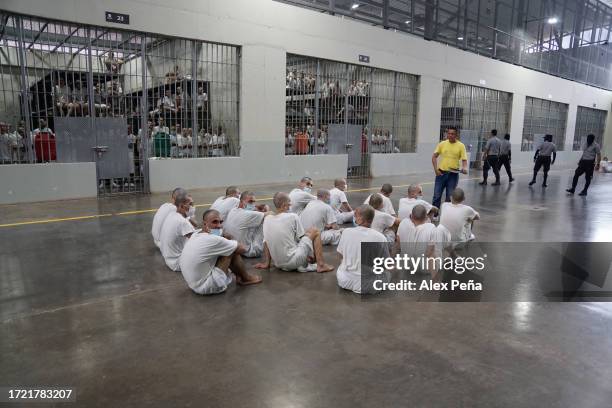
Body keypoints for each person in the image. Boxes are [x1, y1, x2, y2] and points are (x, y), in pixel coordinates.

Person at [179, 209, 262, 295]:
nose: (219, 225)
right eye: (214, 222)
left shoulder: (196, 234)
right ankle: (246, 278)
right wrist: (230, 238)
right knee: (232, 250)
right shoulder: (213, 239)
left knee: (227, 248)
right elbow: (243, 249)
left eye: (220, 222)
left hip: (192, 283)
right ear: (204, 224)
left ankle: (239, 275)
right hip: (206, 286)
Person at [256, 192, 334, 273]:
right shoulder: (293, 216)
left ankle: (309, 259)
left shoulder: (267, 219)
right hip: (293, 262)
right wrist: (308, 255)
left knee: (306, 233)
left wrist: (266, 263)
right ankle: (321, 265)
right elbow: (301, 238)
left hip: (278, 264)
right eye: (289, 204)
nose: (290, 207)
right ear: (284, 205)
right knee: (315, 231)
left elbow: (266, 243)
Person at [336, 204, 390, 294]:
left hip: (344, 280)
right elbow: (386, 264)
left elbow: (340, 255)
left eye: (355, 215)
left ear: (361, 219)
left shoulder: (346, 232)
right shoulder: (380, 237)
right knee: (387, 274)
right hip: (368, 285)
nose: (354, 217)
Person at [398, 205, 450, 278]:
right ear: (426, 217)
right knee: (441, 229)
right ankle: (450, 251)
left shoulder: (403, 222)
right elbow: (429, 254)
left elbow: (398, 245)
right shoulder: (431, 228)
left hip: (407, 264)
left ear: (411, 216)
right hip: (425, 268)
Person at [224, 191, 271, 257]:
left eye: (254, 202)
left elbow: (253, 211)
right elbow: (271, 214)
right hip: (250, 252)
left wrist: (256, 207)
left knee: (257, 219)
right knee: (265, 220)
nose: (253, 204)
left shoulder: (233, 210)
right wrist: (267, 208)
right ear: (241, 202)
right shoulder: (247, 214)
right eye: (250, 202)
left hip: (235, 248)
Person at [431, 126, 468, 208]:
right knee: (436, 195)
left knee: (449, 196)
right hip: (441, 173)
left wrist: (464, 168)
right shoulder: (442, 144)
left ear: (456, 135)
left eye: (452, 134)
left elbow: (464, 160)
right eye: (449, 133)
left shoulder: (461, 146)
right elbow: (434, 157)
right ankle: (435, 215)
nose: (450, 135)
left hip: (453, 175)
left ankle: (446, 213)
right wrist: (436, 170)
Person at [159, 192, 197, 271]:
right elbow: (197, 241)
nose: (192, 207)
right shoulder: (182, 222)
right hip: (178, 263)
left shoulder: (173, 214)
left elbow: (195, 225)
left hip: (168, 259)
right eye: (191, 204)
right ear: (182, 206)